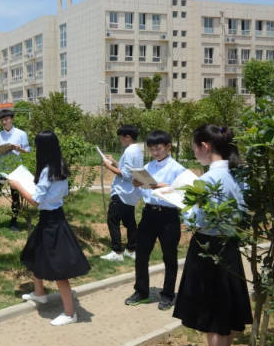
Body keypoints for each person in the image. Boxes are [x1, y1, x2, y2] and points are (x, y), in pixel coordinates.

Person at [173, 125, 252, 346]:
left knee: (213, 312)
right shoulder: (237, 174)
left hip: (208, 247)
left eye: (194, 148)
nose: (194, 152)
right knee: (226, 307)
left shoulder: (208, 180)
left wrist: (183, 204)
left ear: (205, 146)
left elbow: (197, 219)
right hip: (228, 245)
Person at [10, 130, 90, 326]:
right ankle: (39, 293)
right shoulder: (60, 165)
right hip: (53, 218)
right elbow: (59, 192)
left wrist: (18, 185)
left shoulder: (47, 170)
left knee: (58, 269)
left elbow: (36, 201)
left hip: (52, 222)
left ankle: (70, 314)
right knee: (35, 254)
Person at [125, 130, 185, 311]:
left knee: (169, 256)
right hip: (149, 214)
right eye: (151, 149)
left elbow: (178, 189)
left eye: (158, 148)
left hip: (168, 216)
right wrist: (138, 182)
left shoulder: (176, 168)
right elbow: (145, 189)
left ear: (168, 147)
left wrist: (155, 185)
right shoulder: (148, 167)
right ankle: (141, 291)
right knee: (141, 253)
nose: (155, 152)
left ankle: (168, 294)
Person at [100, 125, 143, 262]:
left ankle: (117, 251)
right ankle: (131, 249)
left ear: (128, 137)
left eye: (121, 137)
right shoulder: (137, 150)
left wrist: (108, 166)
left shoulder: (129, 151)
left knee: (112, 220)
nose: (120, 140)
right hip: (131, 194)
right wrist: (114, 162)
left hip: (122, 192)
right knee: (130, 222)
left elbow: (125, 175)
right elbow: (129, 170)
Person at [0, 108, 31, 231]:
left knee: (15, 196)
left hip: (14, 170)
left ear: (12, 119)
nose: (4, 122)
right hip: (0, 169)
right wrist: (0, 150)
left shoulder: (21, 134)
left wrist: (18, 149)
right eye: (2, 120)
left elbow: (28, 151)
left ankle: (14, 222)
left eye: (6, 119)